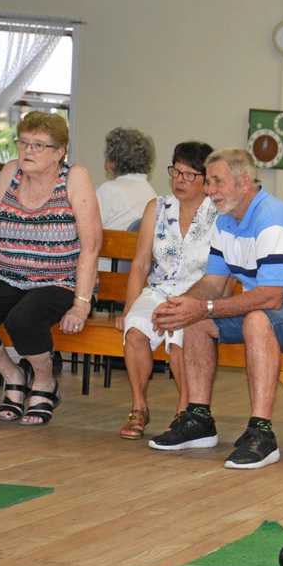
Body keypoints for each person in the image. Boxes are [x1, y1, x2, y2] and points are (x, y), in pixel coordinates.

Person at [147, 148, 283, 470]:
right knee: (195, 320)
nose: (209, 190)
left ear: (244, 181)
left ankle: (262, 434)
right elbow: (213, 283)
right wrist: (180, 305)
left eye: (217, 182)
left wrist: (205, 306)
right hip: (277, 307)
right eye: (209, 182)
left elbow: (270, 297)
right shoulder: (225, 222)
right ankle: (199, 420)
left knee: (256, 320)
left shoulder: (273, 219)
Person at [0, 111, 102, 426]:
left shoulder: (75, 178)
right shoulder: (10, 173)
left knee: (24, 318)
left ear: (60, 153)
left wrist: (81, 305)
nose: (28, 151)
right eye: (25, 143)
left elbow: (91, 246)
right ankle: (14, 375)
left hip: (62, 281)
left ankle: (44, 381)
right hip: (11, 277)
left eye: (39, 145)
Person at [115, 141, 217, 439]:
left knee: (180, 340)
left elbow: (220, 273)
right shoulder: (157, 207)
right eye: (176, 171)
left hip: (199, 293)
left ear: (205, 179)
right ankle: (138, 408)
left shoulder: (217, 212)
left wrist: (194, 300)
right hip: (160, 290)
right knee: (135, 331)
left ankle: (184, 412)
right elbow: (140, 264)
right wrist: (128, 308)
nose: (179, 180)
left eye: (189, 175)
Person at [96, 127, 157, 230]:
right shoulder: (151, 193)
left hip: (113, 245)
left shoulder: (108, 190)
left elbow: (86, 230)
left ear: (113, 162)